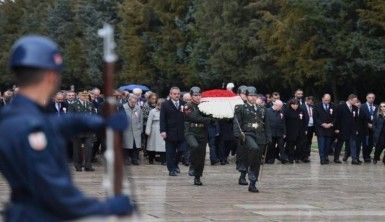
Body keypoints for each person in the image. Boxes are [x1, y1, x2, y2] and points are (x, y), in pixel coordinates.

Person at [0, 35, 133, 221]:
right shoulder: (30, 126)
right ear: (50, 76)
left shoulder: (16, 115)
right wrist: (105, 207)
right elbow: (55, 193)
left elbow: (60, 123)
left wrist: (98, 122)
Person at [233, 86, 271, 192]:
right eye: (250, 95)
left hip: (260, 135)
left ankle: (253, 182)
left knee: (258, 160)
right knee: (253, 148)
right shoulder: (240, 108)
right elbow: (237, 123)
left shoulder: (262, 109)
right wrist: (238, 135)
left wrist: (269, 137)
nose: (253, 98)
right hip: (248, 134)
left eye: (254, 95)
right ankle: (246, 170)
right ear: (246, 96)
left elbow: (267, 124)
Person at [184, 86, 215, 185]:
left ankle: (197, 177)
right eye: (195, 95)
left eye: (199, 95)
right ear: (191, 96)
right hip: (191, 131)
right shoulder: (188, 106)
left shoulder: (205, 106)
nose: (197, 97)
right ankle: (192, 166)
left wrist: (212, 117)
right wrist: (207, 119)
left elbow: (211, 117)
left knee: (201, 156)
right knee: (194, 146)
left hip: (202, 132)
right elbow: (193, 117)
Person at [160, 87, 186, 176]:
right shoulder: (165, 104)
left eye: (178, 94)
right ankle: (171, 170)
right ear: (170, 94)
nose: (177, 95)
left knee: (182, 150)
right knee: (170, 153)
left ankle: (175, 164)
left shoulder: (184, 104)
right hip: (169, 132)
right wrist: (162, 130)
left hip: (181, 132)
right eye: (174, 94)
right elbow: (162, 119)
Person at [69, 91, 97, 171]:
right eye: (83, 95)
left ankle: (88, 165)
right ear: (78, 96)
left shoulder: (90, 104)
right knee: (77, 149)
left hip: (88, 130)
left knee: (88, 149)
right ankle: (78, 165)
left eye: (86, 95)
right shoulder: (73, 105)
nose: (85, 97)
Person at [334, 94, 360, 164]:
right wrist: (336, 128)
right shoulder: (340, 107)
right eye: (354, 101)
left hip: (352, 130)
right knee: (340, 144)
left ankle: (354, 159)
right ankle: (336, 158)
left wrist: (356, 129)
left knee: (353, 144)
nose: (355, 102)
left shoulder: (355, 108)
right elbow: (337, 118)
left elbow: (356, 120)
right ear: (350, 100)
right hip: (342, 129)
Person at [313, 94, 336, 164]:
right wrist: (322, 124)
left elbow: (336, 117)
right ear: (322, 99)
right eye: (326, 100)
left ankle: (326, 157)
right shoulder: (317, 106)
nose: (327, 101)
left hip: (330, 129)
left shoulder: (333, 106)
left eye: (328, 100)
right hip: (320, 129)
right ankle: (322, 158)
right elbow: (315, 118)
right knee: (321, 144)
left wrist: (331, 124)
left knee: (328, 145)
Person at [284, 99, 307, 163]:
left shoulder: (301, 110)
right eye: (293, 104)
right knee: (290, 146)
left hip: (300, 131)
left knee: (299, 146)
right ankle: (290, 158)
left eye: (297, 104)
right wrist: (285, 131)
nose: (295, 106)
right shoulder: (287, 111)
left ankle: (297, 157)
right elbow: (284, 122)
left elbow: (304, 120)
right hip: (290, 131)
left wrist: (305, 129)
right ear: (291, 105)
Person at [122, 94, 143, 165]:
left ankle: (135, 159)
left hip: (136, 130)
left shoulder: (138, 108)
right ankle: (126, 159)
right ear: (129, 100)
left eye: (135, 102)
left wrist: (140, 129)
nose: (133, 104)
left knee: (135, 145)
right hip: (126, 130)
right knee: (126, 146)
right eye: (132, 102)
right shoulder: (123, 107)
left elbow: (141, 120)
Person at [265, 100, 287, 164]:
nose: (281, 108)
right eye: (280, 106)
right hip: (271, 132)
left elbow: (283, 122)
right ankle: (270, 159)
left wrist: (284, 132)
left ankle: (283, 158)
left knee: (281, 146)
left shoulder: (281, 111)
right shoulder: (267, 111)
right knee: (271, 146)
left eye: (281, 106)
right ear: (275, 105)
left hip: (279, 132)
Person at [145, 98, 166, 164]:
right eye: (159, 105)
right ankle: (151, 159)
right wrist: (148, 131)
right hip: (154, 130)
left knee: (163, 146)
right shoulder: (152, 111)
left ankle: (163, 160)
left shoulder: (166, 111)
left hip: (163, 130)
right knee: (152, 145)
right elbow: (149, 121)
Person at [359, 93, 377, 162]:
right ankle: (365, 156)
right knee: (365, 143)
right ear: (366, 98)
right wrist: (367, 124)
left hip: (373, 128)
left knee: (371, 144)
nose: (371, 99)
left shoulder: (376, 107)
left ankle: (368, 155)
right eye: (369, 97)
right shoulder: (362, 106)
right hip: (364, 128)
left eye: (372, 98)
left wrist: (374, 125)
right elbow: (360, 118)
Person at [302, 96, 314, 163]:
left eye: (312, 101)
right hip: (305, 127)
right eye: (309, 101)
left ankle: (308, 154)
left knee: (309, 141)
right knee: (304, 141)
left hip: (311, 127)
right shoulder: (303, 107)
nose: (311, 102)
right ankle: (304, 156)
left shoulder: (312, 107)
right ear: (306, 100)